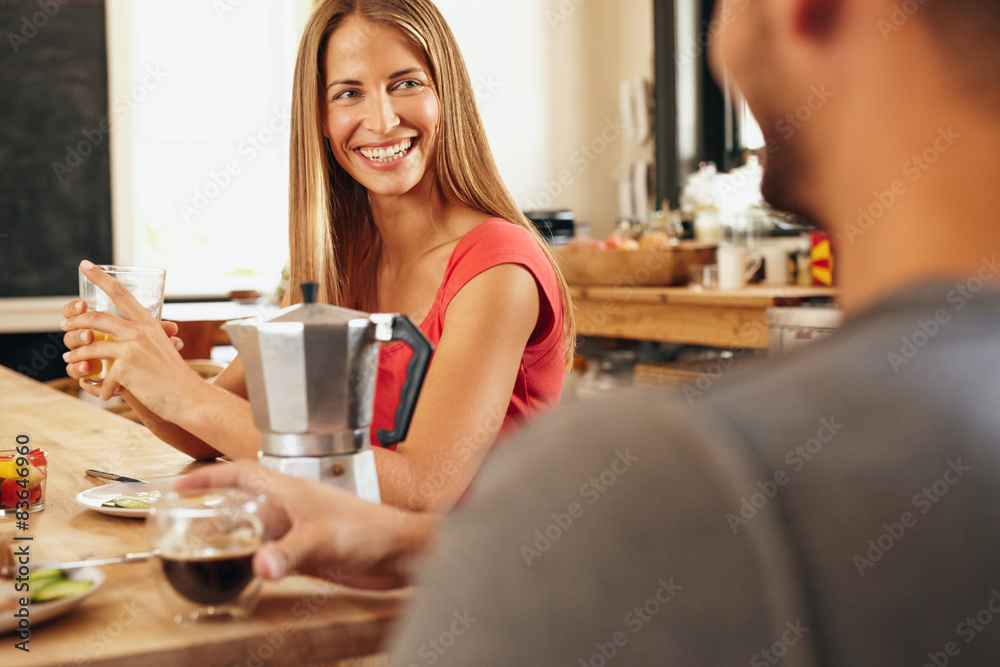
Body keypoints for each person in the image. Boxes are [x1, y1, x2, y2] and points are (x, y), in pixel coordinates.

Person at [184, 0, 1000, 663]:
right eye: (347, 92)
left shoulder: (675, 479)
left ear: (805, 9)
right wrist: (409, 543)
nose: (717, 43)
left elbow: (479, 512)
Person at [61, 0, 575, 512]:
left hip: (480, 583)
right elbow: (214, 430)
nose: (382, 118)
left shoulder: (499, 267)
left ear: (448, 95)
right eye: (349, 93)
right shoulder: (345, 261)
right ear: (322, 121)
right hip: (362, 573)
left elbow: (421, 491)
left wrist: (187, 395)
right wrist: (136, 365)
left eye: (406, 83)